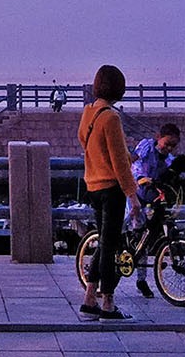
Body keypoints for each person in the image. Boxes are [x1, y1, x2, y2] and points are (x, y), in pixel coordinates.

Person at [76, 64, 142, 321]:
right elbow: (119, 163)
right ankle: (108, 303)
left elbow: (86, 142)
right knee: (110, 245)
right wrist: (132, 195)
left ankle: (89, 298)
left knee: (104, 242)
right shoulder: (111, 117)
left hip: (92, 185)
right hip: (111, 188)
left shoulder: (89, 113)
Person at [129, 122, 183, 297]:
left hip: (153, 195)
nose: (169, 148)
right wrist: (140, 177)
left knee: (146, 236)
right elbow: (135, 162)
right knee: (132, 228)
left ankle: (141, 280)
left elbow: (171, 172)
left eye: (173, 146)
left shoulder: (168, 159)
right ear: (158, 138)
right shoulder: (147, 146)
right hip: (136, 192)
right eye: (166, 143)